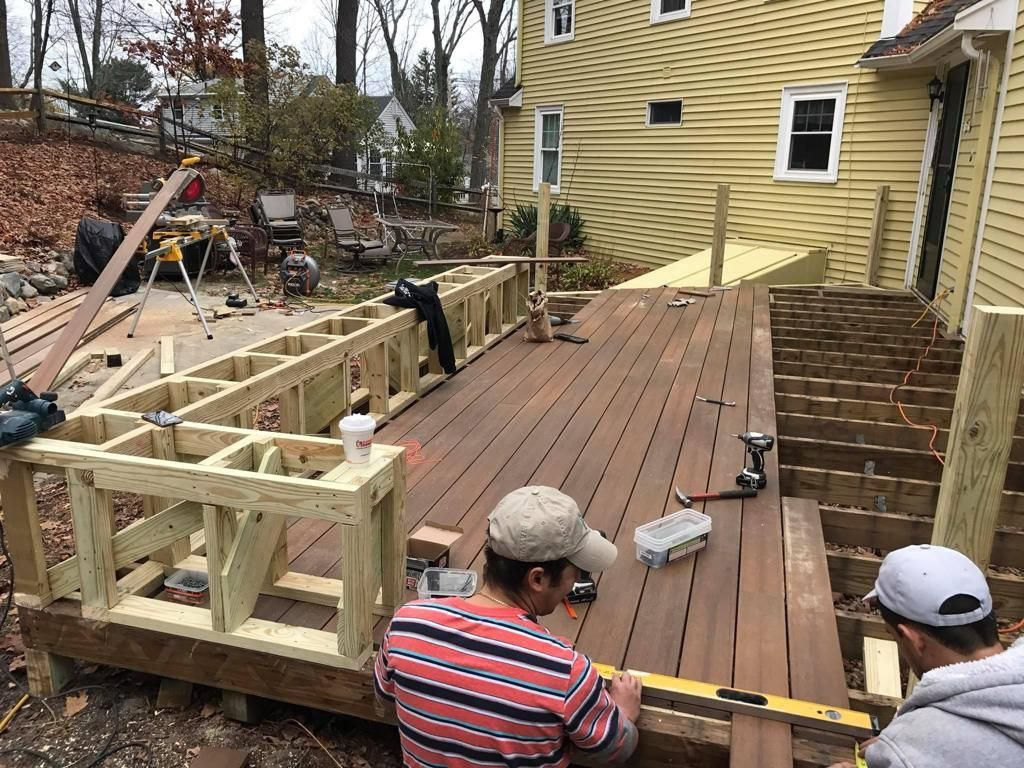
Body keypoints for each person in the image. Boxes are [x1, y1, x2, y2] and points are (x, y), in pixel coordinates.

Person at [374, 486, 642, 767]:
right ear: (537, 579)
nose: (573, 585)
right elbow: (616, 749)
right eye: (574, 574)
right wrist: (623, 710)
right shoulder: (565, 672)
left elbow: (386, 696)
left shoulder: (407, 623)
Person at [829, 544, 1024, 768]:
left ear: (914, 640)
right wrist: (915, 744)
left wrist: (910, 749)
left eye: (893, 635)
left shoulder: (911, 754)